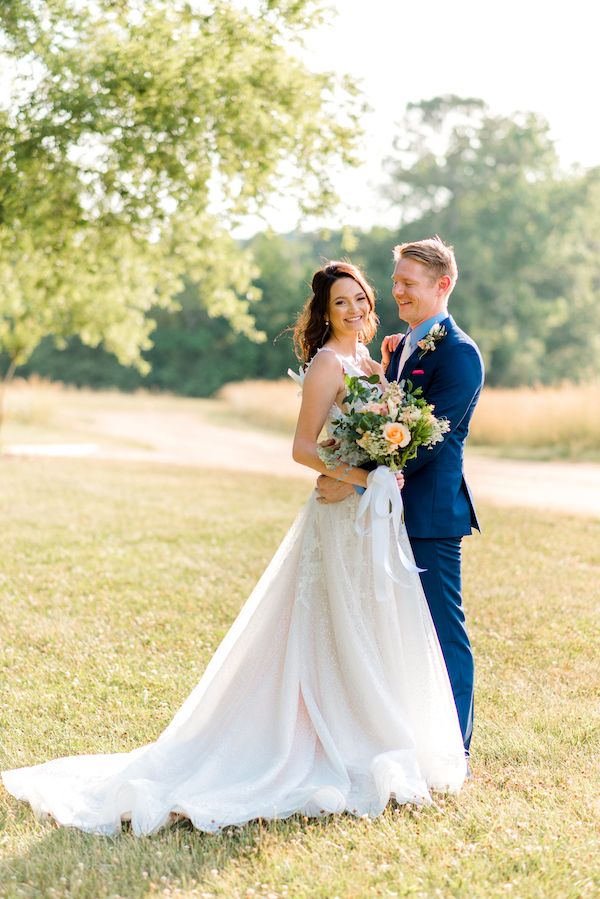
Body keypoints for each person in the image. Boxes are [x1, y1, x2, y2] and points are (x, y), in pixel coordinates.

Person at [1, 260, 466, 837]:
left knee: (364, 625)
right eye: (339, 303)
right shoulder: (326, 364)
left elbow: (388, 436)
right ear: (325, 313)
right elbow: (301, 447)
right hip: (339, 513)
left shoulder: (374, 363)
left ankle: (362, 732)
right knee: (327, 625)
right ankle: (306, 740)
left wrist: (375, 470)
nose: (353, 310)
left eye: (359, 299)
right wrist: (354, 476)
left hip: (368, 520)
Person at [316, 239, 484, 759]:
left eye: (409, 284)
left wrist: (354, 477)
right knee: (394, 632)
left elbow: (428, 438)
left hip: (429, 515)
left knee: (440, 632)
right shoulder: (403, 344)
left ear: (443, 285)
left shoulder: (458, 354)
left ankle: (453, 750)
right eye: (395, 282)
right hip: (385, 511)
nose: (398, 292)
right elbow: (388, 420)